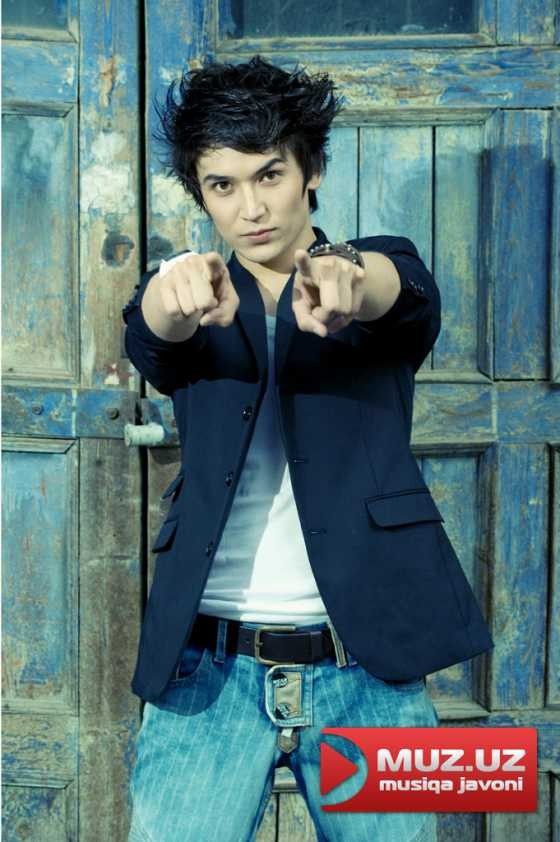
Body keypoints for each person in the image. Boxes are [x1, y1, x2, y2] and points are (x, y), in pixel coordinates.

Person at [122, 55, 494, 842]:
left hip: (369, 670)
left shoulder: (374, 269)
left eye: (269, 175)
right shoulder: (194, 293)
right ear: (200, 193)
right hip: (205, 671)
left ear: (311, 170)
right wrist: (166, 295)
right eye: (222, 185)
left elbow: (402, 294)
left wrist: (351, 276)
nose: (251, 207)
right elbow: (151, 335)